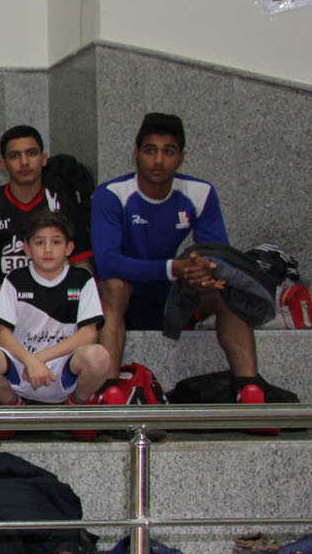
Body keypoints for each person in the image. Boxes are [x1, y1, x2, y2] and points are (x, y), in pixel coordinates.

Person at [91, 112, 271, 408]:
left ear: (182, 157)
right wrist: (174, 268)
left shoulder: (200, 193)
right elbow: (108, 262)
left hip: (173, 299)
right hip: (125, 301)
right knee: (113, 285)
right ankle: (110, 392)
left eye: (169, 151)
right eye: (150, 150)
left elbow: (217, 253)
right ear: (136, 154)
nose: (158, 160)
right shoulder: (111, 195)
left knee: (225, 286)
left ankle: (249, 391)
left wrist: (205, 272)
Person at [0, 211, 118, 437]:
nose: (47, 249)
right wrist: (30, 360)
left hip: (64, 368)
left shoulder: (82, 279)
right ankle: (13, 407)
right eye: (39, 242)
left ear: (69, 248)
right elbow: (1, 334)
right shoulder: (15, 279)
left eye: (56, 242)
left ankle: (75, 407)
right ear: (27, 249)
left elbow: (88, 334)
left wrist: (41, 358)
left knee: (99, 356)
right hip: (24, 366)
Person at [0, 125, 91, 330]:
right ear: (3, 164)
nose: (24, 162)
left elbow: (83, 264)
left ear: (44, 159)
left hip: (53, 298)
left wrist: (66, 295)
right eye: (15, 156)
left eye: (31, 153)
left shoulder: (64, 206)